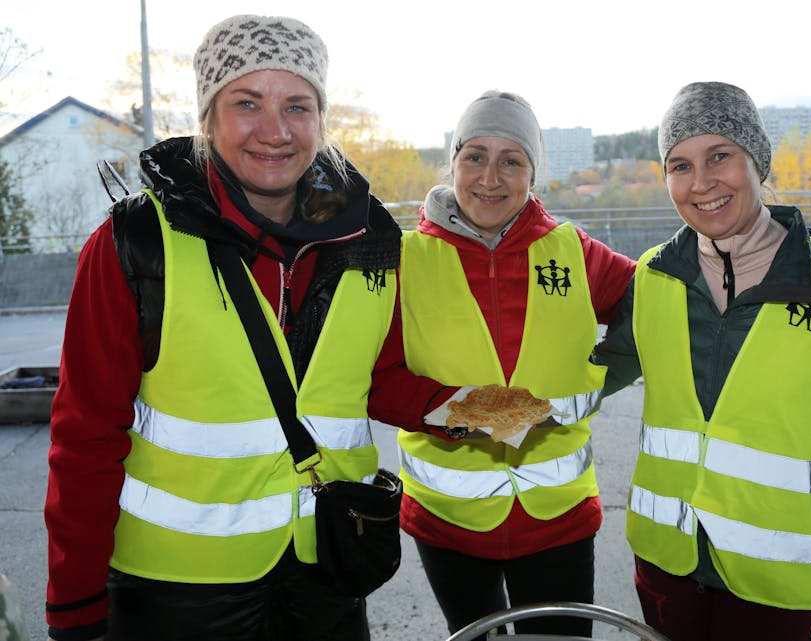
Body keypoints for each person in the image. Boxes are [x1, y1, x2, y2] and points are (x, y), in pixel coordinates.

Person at [44, 15, 401, 641]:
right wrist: (74, 604)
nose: (275, 131)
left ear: (322, 119)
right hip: (177, 592)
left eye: (298, 105)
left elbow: (381, 379)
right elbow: (85, 434)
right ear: (208, 117)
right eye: (246, 103)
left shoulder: (367, 239)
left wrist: (461, 406)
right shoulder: (136, 244)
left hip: (327, 572)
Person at [594, 81, 811, 641]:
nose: (702, 183)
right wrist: (496, 403)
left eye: (720, 156)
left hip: (779, 581)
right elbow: (591, 373)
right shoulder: (654, 277)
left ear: (757, 161)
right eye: (679, 165)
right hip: (668, 565)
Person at [368, 90, 636, 637]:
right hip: (449, 523)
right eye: (475, 156)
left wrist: (606, 373)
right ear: (454, 164)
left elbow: (657, 301)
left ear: (532, 175)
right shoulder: (403, 260)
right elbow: (375, 378)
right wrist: (459, 408)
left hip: (557, 521)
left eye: (511, 160)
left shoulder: (571, 250)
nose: (490, 177)